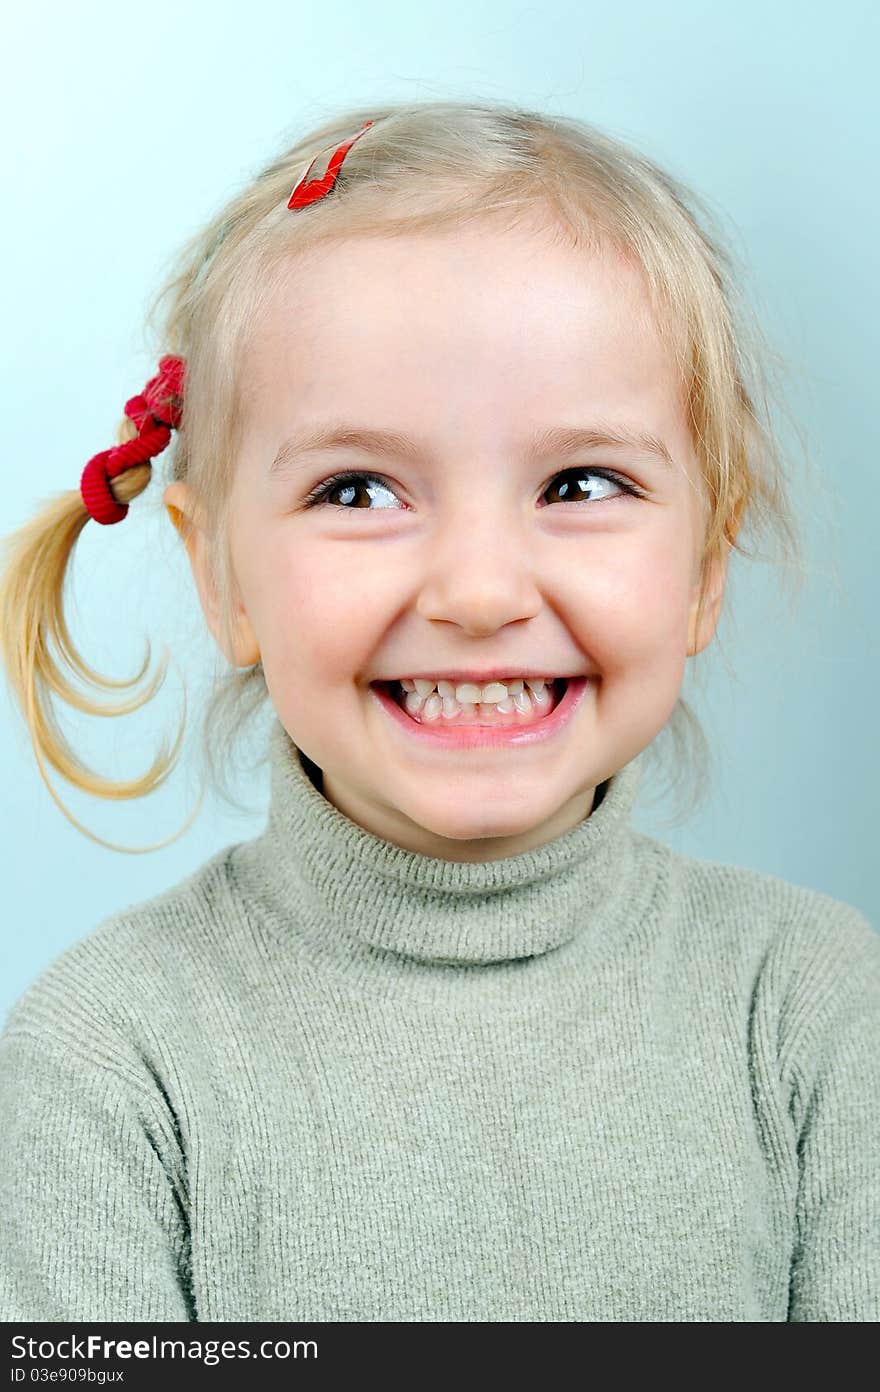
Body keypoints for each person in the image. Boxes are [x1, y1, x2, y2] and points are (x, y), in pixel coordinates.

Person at [0, 102, 877, 1324]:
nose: (476, 592)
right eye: (356, 490)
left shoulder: (822, 1018)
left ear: (706, 568)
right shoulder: (106, 1066)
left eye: (580, 483)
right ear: (222, 580)